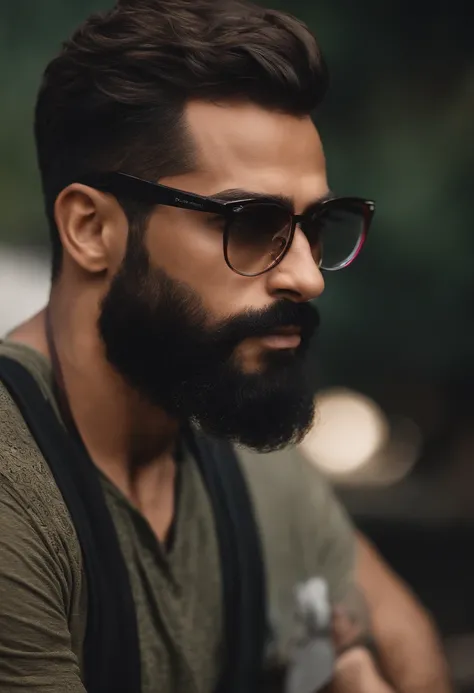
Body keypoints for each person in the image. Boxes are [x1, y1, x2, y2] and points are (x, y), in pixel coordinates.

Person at [0, 0, 452, 691]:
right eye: (252, 223)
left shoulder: (242, 450)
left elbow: (403, 646)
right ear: (91, 230)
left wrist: (345, 662)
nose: (306, 275)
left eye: (316, 224)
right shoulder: (17, 489)